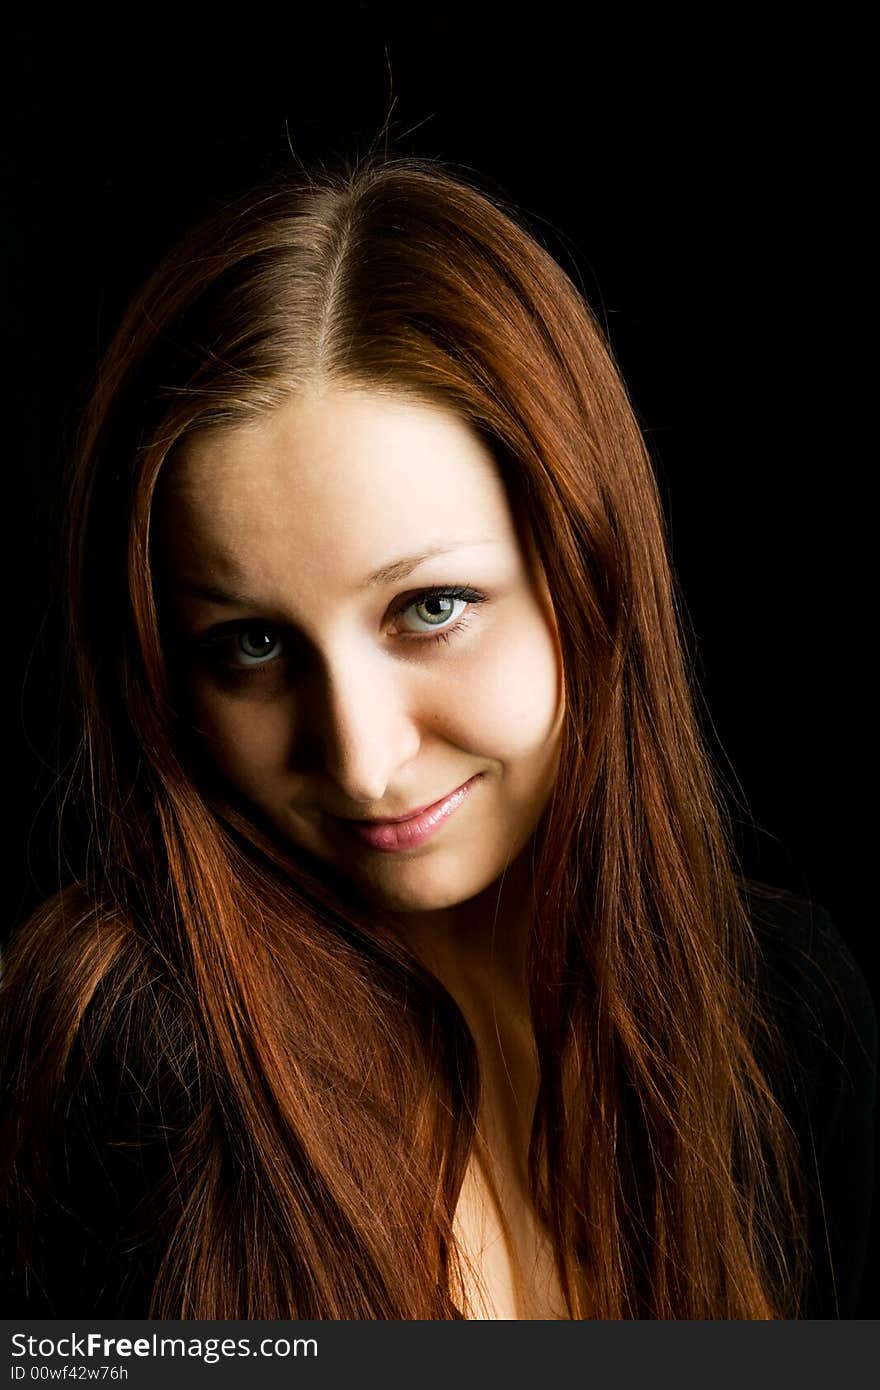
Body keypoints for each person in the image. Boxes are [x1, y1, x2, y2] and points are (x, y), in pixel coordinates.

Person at [0, 152, 875, 1320]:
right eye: (252, 647)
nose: (360, 760)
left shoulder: (782, 1007)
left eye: (430, 609)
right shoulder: (119, 1052)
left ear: (589, 572)